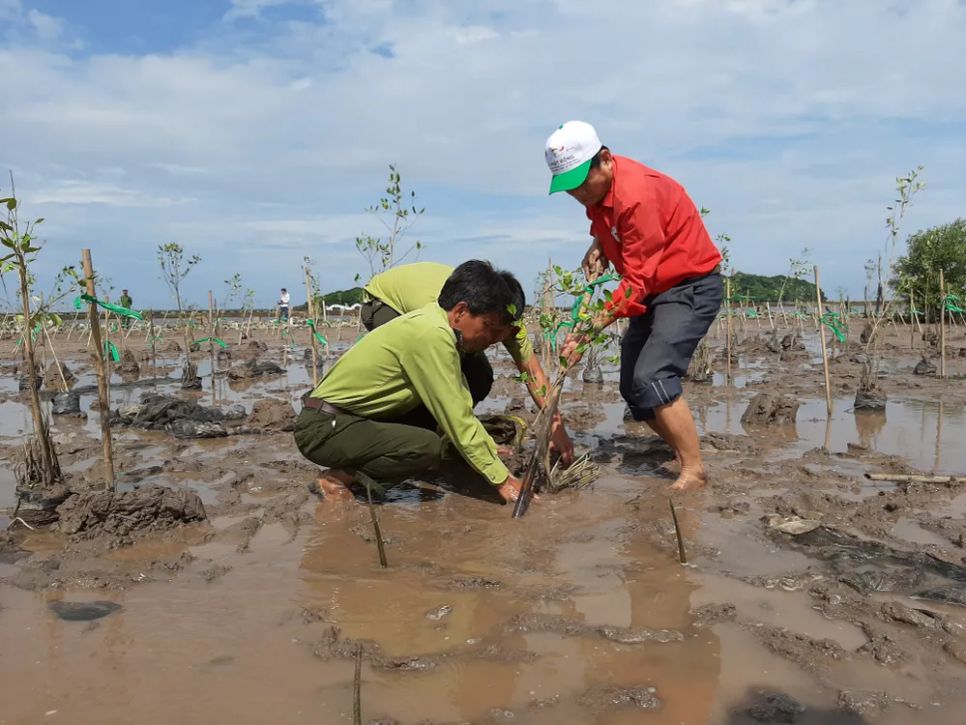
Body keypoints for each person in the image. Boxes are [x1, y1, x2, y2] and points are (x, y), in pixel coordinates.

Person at [545, 120, 723, 491]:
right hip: (653, 293)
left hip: (687, 286)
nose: (576, 193)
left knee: (654, 375)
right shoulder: (598, 194)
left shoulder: (637, 195)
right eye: (569, 188)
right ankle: (678, 449)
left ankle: (694, 469)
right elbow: (605, 225)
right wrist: (598, 245)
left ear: (605, 160)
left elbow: (637, 280)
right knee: (633, 387)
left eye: (580, 182)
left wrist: (589, 330)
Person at [294, 260, 528, 503]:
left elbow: (459, 405)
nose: (492, 339)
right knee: (425, 446)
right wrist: (503, 480)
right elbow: (455, 417)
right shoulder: (431, 334)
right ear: (460, 311)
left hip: (350, 419)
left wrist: (487, 448)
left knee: (435, 429)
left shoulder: (440, 329)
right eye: (488, 327)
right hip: (323, 428)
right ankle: (338, 479)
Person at [361, 262, 574, 463]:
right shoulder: (446, 310)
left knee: (479, 375)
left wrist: (557, 428)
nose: (493, 338)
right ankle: (402, 441)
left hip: (436, 309)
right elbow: (445, 378)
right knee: (427, 377)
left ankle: (435, 434)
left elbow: (533, 374)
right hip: (385, 304)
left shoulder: (510, 323)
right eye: (490, 328)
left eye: (500, 332)